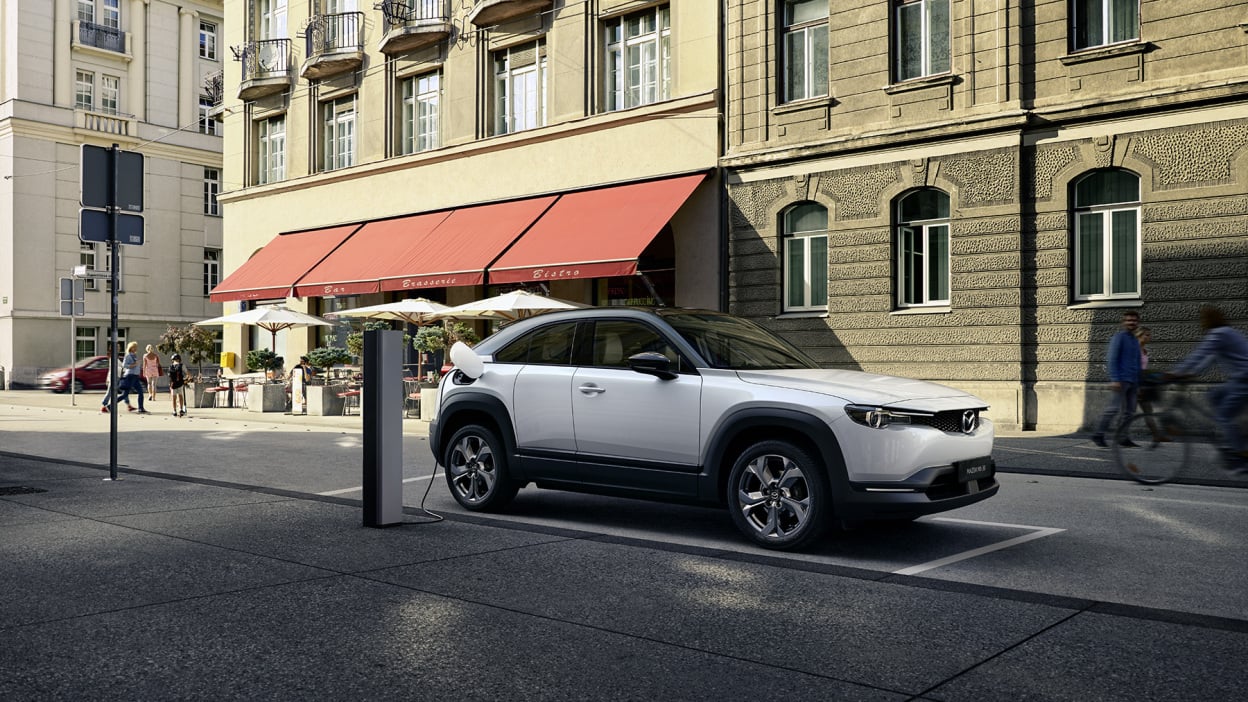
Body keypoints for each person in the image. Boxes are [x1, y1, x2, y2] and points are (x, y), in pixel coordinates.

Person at [1165, 305, 1248, 473]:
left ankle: (1241, 458)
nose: (1201, 323)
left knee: (1224, 416)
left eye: (1203, 320)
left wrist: (1175, 373)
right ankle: (1233, 437)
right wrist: (1191, 374)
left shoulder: (1219, 334)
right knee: (1214, 396)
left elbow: (1199, 354)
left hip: (1244, 381)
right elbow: (1207, 359)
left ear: (1208, 321)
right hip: (1239, 380)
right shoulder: (1225, 334)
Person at [1093, 310, 1142, 448]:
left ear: (1137, 322)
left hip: (1133, 381)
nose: (1131, 322)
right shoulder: (1119, 337)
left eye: (1133, 320)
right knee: (1113, 409)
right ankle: (1098, 434)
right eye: (1128, 320)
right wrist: (1115, 379)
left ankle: (1123, 437)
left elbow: (1137, 363)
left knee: (1129, 412)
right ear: (1123, 322)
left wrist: (1138, 383)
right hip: (1121, 380)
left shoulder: (1135, 340)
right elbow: (1112, 359)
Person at [1134, 326, 1169, 443]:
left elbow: (1144, 369)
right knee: (1128, 412)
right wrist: (1138, 387)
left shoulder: (1144, 350)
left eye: (1149, 335)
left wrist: (1154, 374)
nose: (1149, 337)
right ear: (1139, 336)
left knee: (1148, 410)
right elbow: (1135, 370)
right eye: (1147, 335)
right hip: (1136, 384)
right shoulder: (1135, 350)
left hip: (1143, 383)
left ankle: (1156, 435)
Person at [117, 341, 148, 414]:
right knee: (125, 394)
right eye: (134, 347)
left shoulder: (134, 355)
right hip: (130, 376)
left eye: (136, 347)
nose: (136, 348)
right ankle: (110, 406)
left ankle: (141, 408)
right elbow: (124, 365)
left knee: (140, 392)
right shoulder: (128, 356)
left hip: (135, 376)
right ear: (131, 348)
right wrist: (134, 364)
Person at [168, 353, 187, 417]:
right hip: (180, 383)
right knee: (181, 396)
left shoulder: (170, 366)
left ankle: (174, 410)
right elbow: (187, 373)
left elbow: (169, 376)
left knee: (174, 398)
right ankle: (181, 409)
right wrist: (188, 378)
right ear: (179, 359)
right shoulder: (182, 365)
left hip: (173, 384)